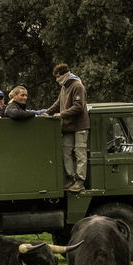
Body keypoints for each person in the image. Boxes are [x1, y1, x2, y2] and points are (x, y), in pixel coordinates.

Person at [46, 63, 90, 192]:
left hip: (80, 125)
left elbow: (78, 107)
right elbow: (58, 103)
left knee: (80, 152)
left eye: (58, 76)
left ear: (65, 74)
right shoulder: (64, 88)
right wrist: (47, 113)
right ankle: (71, 178)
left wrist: (61, 114)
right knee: (66, 152)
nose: (57, 79)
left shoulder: (77, 86)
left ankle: (80, 181)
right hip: (68, 126)